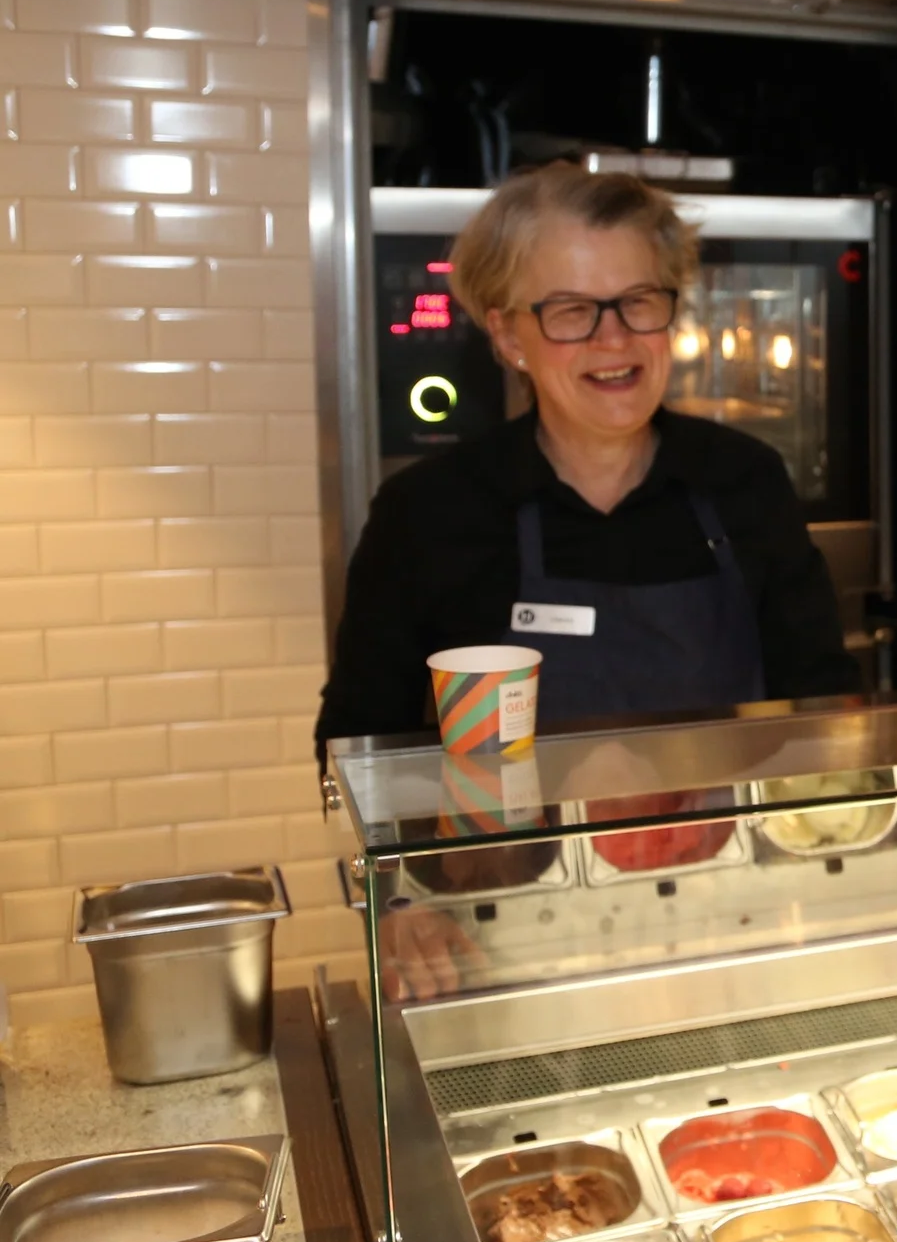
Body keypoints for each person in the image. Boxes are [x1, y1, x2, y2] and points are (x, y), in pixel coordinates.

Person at [318, 164, 861, 997]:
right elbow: (357, 741)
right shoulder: (430, 512)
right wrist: (392, 902)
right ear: (506, 335)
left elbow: (822, 712)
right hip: (501, 934)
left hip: (729, 916)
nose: (614, 340)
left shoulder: (744, 481)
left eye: (639, 300)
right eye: (571, 311)